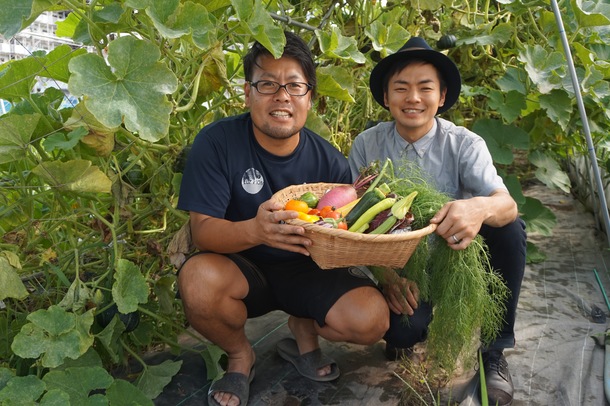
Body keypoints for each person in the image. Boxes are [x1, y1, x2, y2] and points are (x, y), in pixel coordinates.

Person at [176, 31, 390, 406]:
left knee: (371, 320)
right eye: (267, 85)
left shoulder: (329, 161)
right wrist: (257, 231)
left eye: (294, 85)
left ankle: (302, 324)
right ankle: (241, 355)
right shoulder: (217, 143)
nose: (282, 96)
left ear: (310, 97)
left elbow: (348, 234)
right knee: (197, 282)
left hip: (307, 270)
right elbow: (203, 233)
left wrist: (389, 270)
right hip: (242, 268)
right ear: (247, 93)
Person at [348, 36, 527, 406]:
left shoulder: (464, 144)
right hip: (404, 268)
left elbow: (506, 204)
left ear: (441, 97)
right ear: (386, 98)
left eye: (425, 87)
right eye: (401, 88)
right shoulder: (366, 145)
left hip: (456, 259)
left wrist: (477, 208)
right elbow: (354, 225)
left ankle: (493, 352)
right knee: (402, 334)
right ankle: (413, 327)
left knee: (509, 229)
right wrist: (386, 276)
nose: (413, 97)